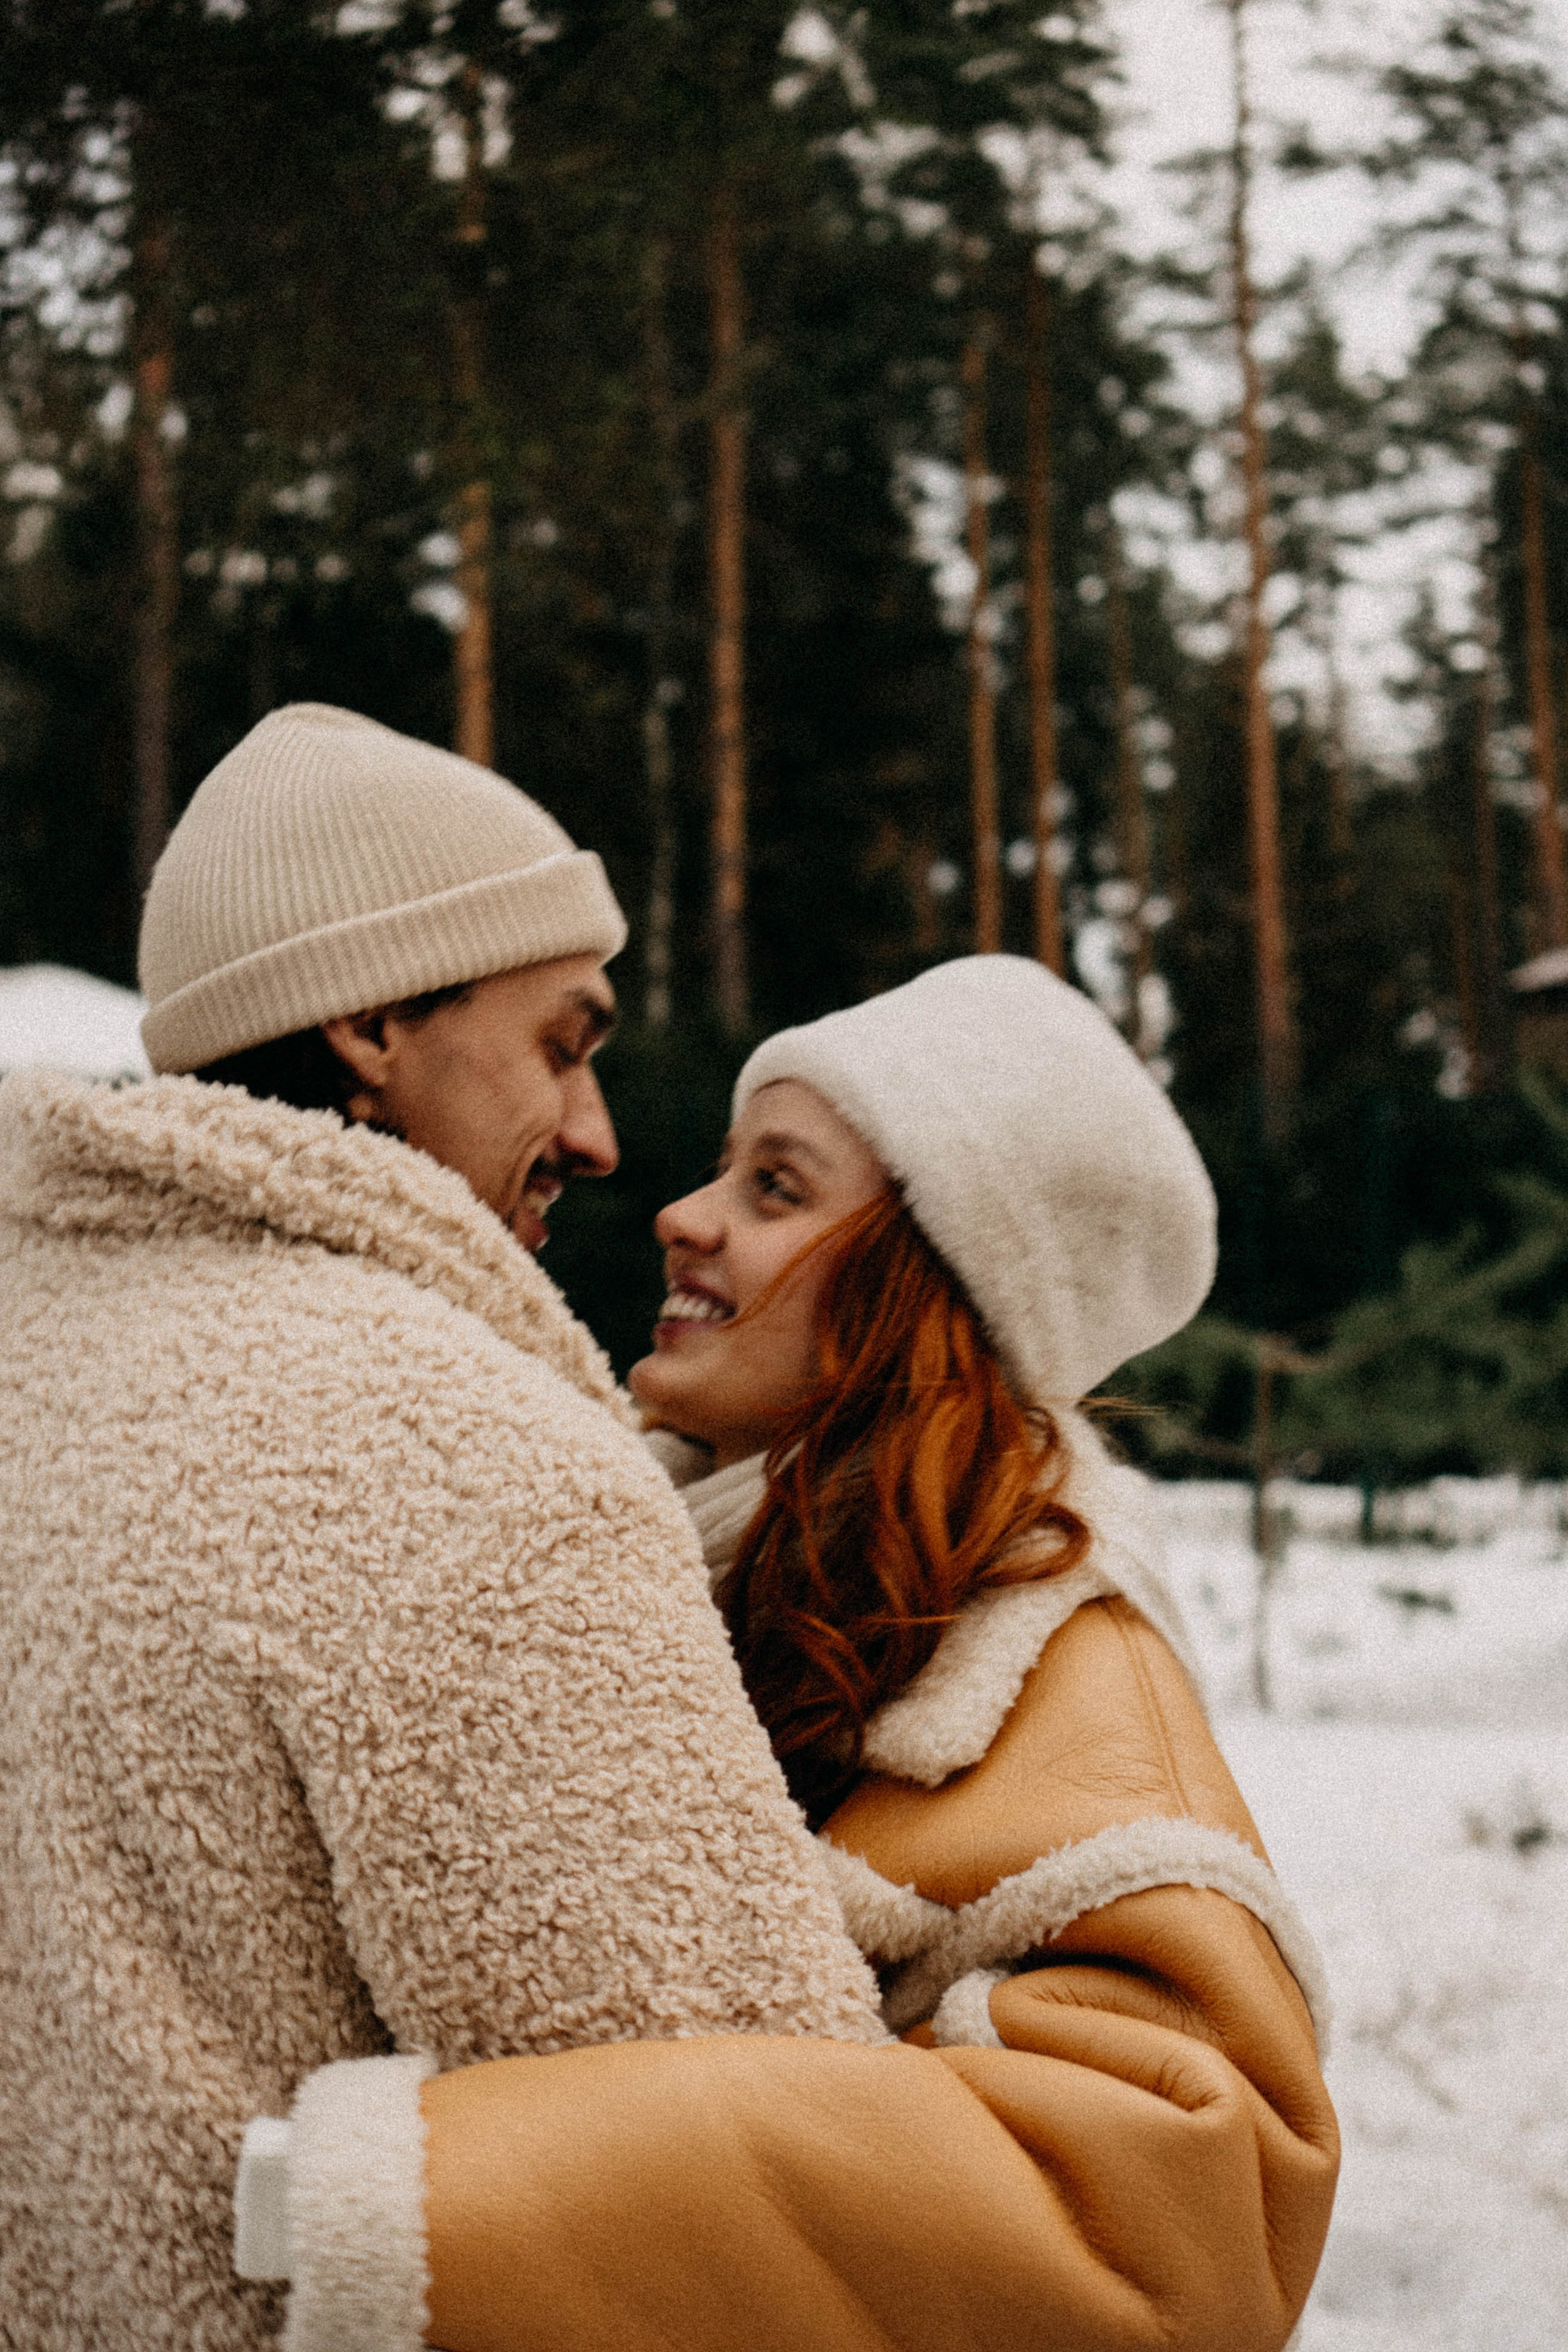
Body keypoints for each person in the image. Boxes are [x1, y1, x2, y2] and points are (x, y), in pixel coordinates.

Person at [264, 956, 1339, 2352]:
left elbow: (1184, 2221)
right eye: (723, 1170)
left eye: (773, 1188)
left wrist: (411, 2191)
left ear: (932, 1286)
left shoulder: (1054, 1666)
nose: (677, 1215)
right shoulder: (661, 1562)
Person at [0, 703, 885, 2352]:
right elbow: (746, 2181)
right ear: (371, 1021)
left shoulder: (31, 1368)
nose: (606, 1134)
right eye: (564, 1042)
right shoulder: (459, 1463)